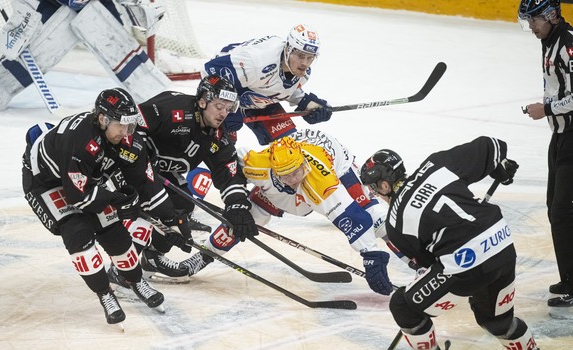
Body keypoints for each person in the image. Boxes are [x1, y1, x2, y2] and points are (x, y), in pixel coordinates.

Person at [359, 136, 554, 350]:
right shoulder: (436, 165)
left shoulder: (396, 222)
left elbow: (429, 264)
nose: (375, 193)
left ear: (385, 185)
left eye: (374, 188)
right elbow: (492, 145)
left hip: (465, 264)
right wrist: (499, 168)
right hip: (502, 244)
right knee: (495, 318)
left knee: (403, 305)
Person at [175, 128, 397, 296]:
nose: (293, 179)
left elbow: (354, 220)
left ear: (303, 164)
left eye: (297, 171)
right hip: (286, 180)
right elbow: (226, 165)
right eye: (286, 175)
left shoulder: (321, 181)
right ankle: (201, 258)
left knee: (374, 218)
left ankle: (416, 260)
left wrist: (371, 255)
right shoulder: (258, 162)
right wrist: (237, 203)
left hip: (338, 164)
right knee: (243, 220)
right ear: (274, 170)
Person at [21, 88, 167, 326]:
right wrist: (118, 199)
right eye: (122, 125)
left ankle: (136, 281)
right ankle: (105, 293)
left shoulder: (113, 134)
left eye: (131, 125)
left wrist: (129, 194)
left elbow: (125, 171)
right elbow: (80, 197)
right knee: (78, 234)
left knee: (116, 234)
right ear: (103, 119)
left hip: (78, 178)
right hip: (45, 183)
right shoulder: (80, 142)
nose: (127, 132)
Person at [115, 74, 259, 281]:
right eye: (219, 106)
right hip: (127, 167)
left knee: (183, 206)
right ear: (202, 101)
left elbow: (228, 173)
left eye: (228, 108)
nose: (223, 113)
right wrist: (141, 161)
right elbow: (128, 127)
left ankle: (153, 257)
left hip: (161, 174)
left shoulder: (217, 136)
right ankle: (122, 270)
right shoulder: (171, 107)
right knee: (157, 210)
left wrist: (237, 205)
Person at [0, 0, 169, 111]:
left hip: (82, 12)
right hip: (47, 11)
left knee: (94, 18)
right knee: (90, 18)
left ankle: (161, 96)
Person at [519, 0, 573, 308]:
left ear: (552, 15)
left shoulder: (568, 45)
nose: (531, 27)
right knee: (556, 208)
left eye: (535, 19)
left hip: (572, 138)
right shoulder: (549, 42)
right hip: (561, 137)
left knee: (562, 211)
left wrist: (547, 109)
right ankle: (569, 278)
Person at [203, 23, 332, 145]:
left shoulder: (303, 72)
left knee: (288, 148)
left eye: (310, 57)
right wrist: (226, 106)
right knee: (221, 148)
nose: (305, 63)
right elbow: (209, 69)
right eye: (300, 56)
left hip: (257, 98)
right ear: (288, 50)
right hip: (232, 88)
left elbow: (279, 87)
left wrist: (306, 103)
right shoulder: (258, 63)